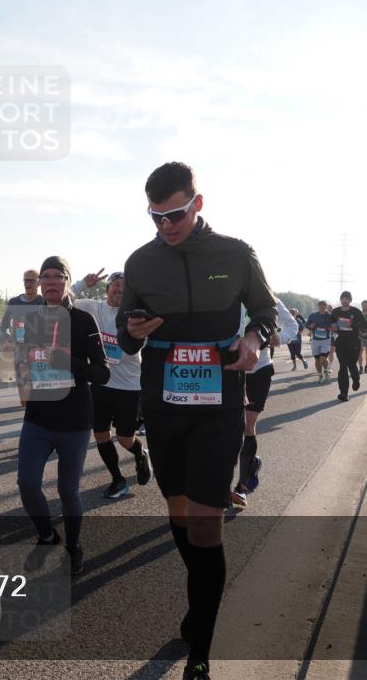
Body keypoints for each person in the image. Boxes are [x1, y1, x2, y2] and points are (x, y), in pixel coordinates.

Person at [116, 162, 276, 680]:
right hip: (162, 410)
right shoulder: (141, 263)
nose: (166, 225)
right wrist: (135, 329)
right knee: (181, 519)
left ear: (198, 203)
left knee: (206, 527)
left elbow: (267, 315)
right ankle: (200, 603)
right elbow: (126, 336)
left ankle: (201, 654)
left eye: (176, 214)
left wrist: (254, 340)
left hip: (217, 410)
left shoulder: (235, 254)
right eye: (156, 217)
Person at [16, 257, 110, 575]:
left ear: (68, 282)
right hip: (39, 418)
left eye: (59, 276)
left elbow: (102, 374)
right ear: (40, 283)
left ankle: (73, 547)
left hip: (74, 420)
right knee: (27, 484)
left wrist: (68, 361)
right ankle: (47, 536)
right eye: (46, 277)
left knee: (68, 490)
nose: (52, 282)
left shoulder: (83, 320)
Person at [70, 269, 150, 499]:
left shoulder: (137, 316)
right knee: (100, 433)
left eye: (125, 288)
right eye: (115, 285)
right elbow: (63, 301)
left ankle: (140, 454)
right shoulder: (94, 308)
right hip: (100, 382)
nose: (119, 289)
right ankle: (118, 479)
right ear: (107, 289)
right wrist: (82, 284)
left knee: (125, 438)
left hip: (129, 385)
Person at [232, 297, 298, 509]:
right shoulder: (227, 297)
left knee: (247, 424)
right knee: (232, 427)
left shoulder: (270, 300)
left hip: (260, 369)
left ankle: (241, 487)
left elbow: (293, 325)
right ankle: (251, 464)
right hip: (233, 369)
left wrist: (280, 337)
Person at [0, 270, 44, 406]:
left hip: (38, 347)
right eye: (26, 280)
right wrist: (6, 338)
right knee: (22, 380)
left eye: (32, 281)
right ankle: (26, 406)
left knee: (36, 381)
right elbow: (2, 327)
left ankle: (35, 409)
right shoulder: (14, 302)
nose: (28, 283)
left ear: (39, 283)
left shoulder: (43, 301)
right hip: (19, 346)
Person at [332, 291, 367, 403]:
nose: (344, 301)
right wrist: (332, 326)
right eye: (343, 298)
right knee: (343, 367)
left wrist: (352, 324)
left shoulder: (355, 311)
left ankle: (356, 380)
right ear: (340, 299)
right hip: (341, 342)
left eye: (347, 299)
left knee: (352, 365)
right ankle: (344, 393)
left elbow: (364, 325)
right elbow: (330, 322)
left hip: (353, 343)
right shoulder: (335, 311)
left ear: (350, 300)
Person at [305, 301, 334, 383]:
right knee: (317, 359)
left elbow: (334, 327)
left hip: (326, 340)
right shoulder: (313, 315)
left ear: (326, 306)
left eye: (323, 305)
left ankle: (326, 371)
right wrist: (310, 326)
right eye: (320, 305)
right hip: (315, 340)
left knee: (323, 357)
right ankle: (320, 375)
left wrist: (330, 328)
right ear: (318, 306)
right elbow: (306, 325)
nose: (322, 307)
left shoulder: (329, 316)